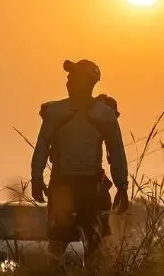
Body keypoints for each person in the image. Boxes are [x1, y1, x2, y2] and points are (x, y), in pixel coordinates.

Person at [31, 59, 129, 264]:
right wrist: (36, 177)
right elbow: (117, 152)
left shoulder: (98, 114)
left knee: (86, 244)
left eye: (72, 76)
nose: (67, 81)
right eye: (68, 77)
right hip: (72, 186)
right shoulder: (60, 112)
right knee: (65, 243)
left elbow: (116, 152)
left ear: (87, 81)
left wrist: (122, 186)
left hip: (79, 185)